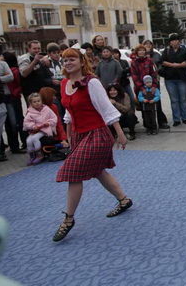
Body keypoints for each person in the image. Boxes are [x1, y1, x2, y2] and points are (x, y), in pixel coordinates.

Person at [52, 48, 131, 243]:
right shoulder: (64, 84)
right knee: (98, 171)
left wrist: (120, 134)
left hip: (97, 134)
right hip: (79, 135)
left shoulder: (92, 82)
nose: (68, 63)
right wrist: (69, 136)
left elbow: (107, 109)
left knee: (72, 173)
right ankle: (124, 200)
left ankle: (68, 219)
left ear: (81, 61)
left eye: (72, 59)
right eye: (65, 60)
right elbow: (69, 113)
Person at [161, 33, 186, 126]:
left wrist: (176, 65)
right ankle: (176, 119)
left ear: (179, 41)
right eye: (172, 40)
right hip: (170, 79)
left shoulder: (184, 50)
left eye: (176, 40)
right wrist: (175, 65)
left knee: (183, 99)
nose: (174, 42)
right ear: (170, 42)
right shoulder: (166, 51)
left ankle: (185, 118)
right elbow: (162, 62)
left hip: (182, 79)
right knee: (174, 100)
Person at [23, 93, 57, 165]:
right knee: (28, 140)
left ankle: (39, 155)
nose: (37, 103)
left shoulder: (47, 109)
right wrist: (33, 126)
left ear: (41, 101)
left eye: (38, 101)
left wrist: (49, 123)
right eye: (34, 102)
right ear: (31, 103)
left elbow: (54, 118)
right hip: (36, 130)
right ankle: (32, 155)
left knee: (35, 138)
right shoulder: (30, 112)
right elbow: (26, 122)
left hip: (45, 129)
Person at [2, 51, 25, 155]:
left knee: (13, 122)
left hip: (11, 98)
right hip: (11, 98)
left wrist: (14, 93)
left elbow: (17, 84)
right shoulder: (13, 70)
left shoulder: (13, 71)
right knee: (12, 122)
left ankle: (15, 145)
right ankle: (15, 145)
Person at [0, 59, 13, 162]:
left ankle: (1, 152)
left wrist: (0, 78)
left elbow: (10, 76)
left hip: (1, 101)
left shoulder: (2, 64)